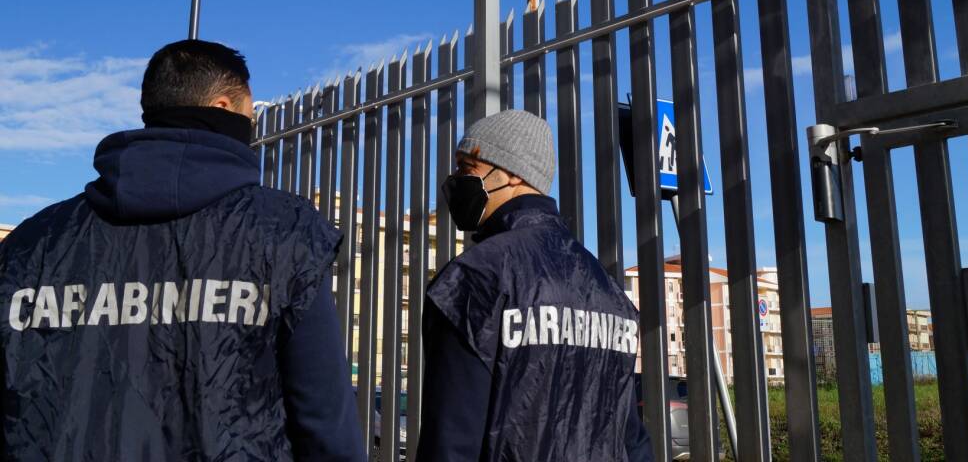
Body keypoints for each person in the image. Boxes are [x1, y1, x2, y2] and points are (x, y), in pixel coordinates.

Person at [0, 40, 365, 461]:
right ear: (226, 107)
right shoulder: (285, 234)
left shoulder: (33, 243)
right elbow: (324, 420)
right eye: (252, 114)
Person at [416, 109, 653, 462]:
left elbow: (450, 443)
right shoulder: (610, 293)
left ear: (510, 174)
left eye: (467, 169)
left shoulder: (477, 278)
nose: (454, 181)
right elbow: (632, 442)